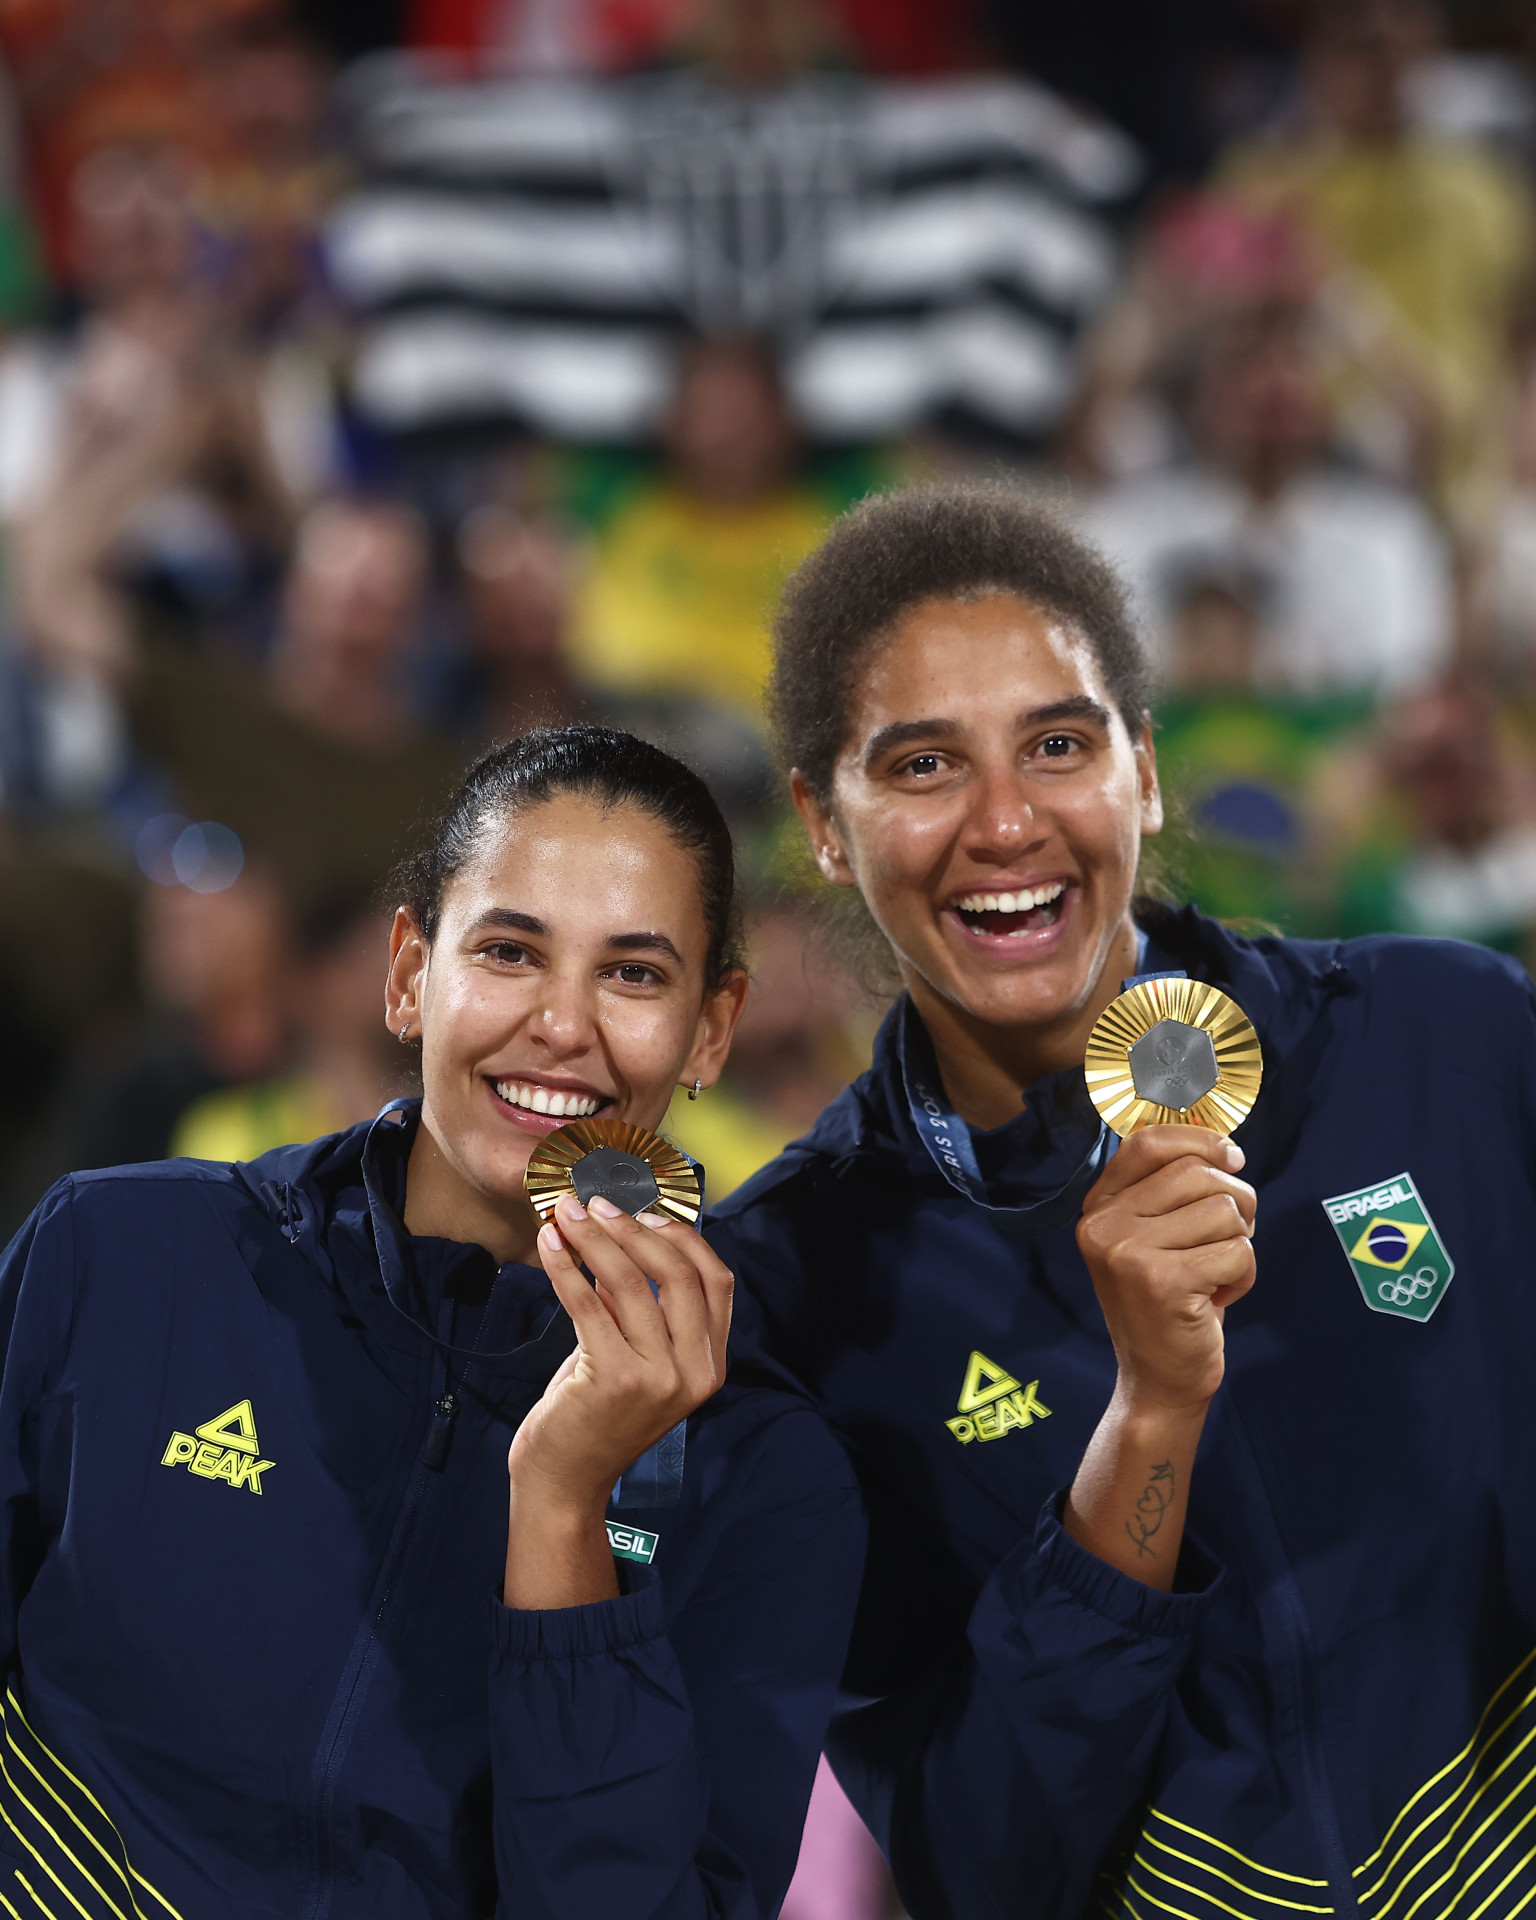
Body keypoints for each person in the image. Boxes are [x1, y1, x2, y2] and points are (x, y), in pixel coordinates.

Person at [709, 481, 1536, 1919]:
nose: (1005, 821)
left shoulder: (1446, 1042)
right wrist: (1147, 1417)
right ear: (824, 825)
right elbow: (989, 1867)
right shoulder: (799, 1294)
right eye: (920, 766)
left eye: (1058, 744)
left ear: (1144, 771)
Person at [0, 724, 863, 1917]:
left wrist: (564, 1506)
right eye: (510, 951)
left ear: (713, 1028)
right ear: (409, 973)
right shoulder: (121, 1255)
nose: (562, 1025)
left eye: (633, 973)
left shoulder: (766, 1478)